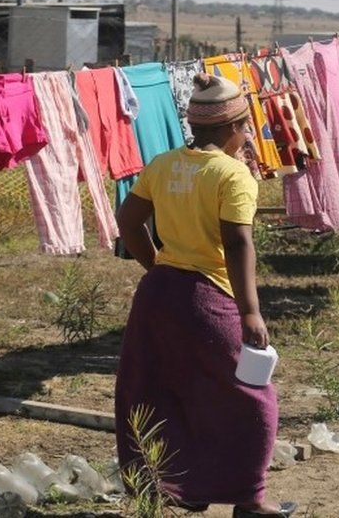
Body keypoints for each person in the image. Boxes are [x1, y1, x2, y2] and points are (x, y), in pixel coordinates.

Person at [115, 73, 297, 518]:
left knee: (160, 391)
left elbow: (128, 220)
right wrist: (250, 312)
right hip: (207, 299)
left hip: (157, 295)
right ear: (233, 128)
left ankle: (178, 488)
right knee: (252, 397)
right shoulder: (232, 175)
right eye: (245, 128)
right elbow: (237, 243)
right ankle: (250, 501)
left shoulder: (163, 164)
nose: (247, 136)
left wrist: (156, 265)